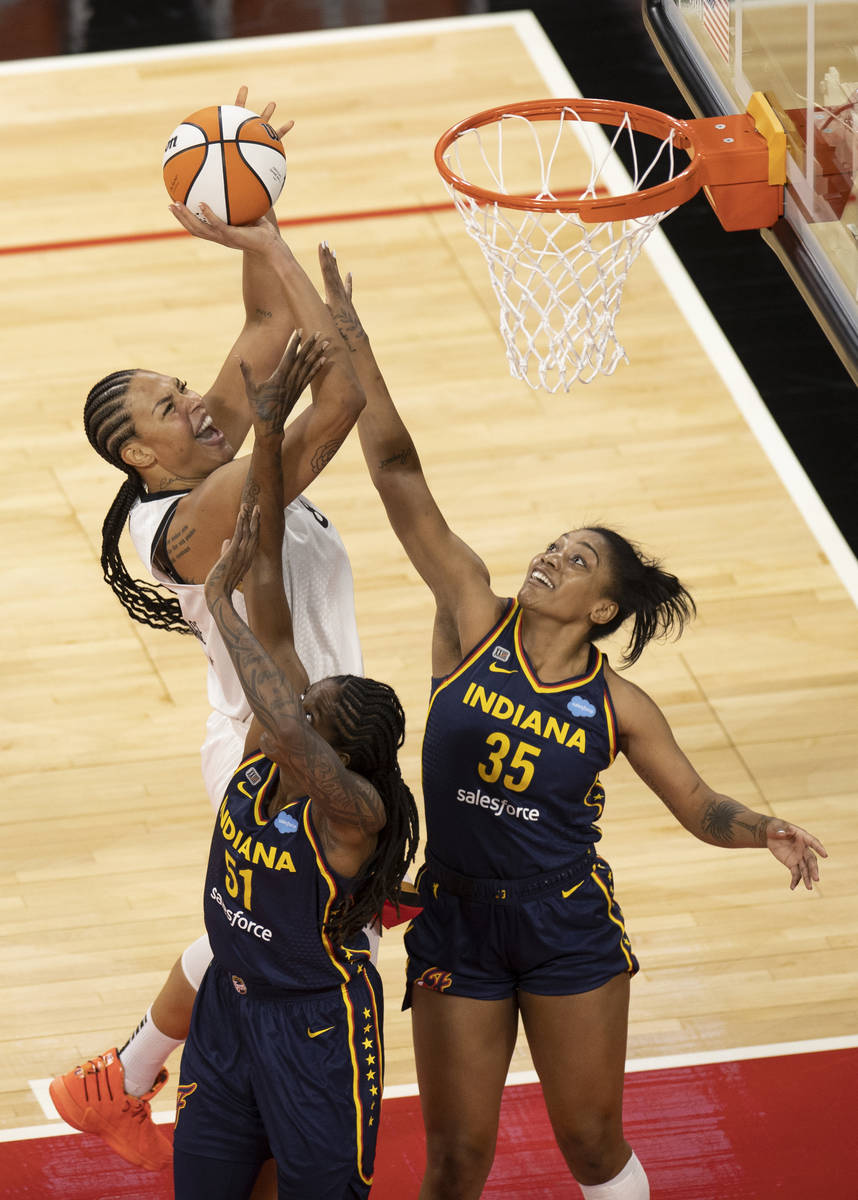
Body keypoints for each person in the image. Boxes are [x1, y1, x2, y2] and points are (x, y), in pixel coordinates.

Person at [318, 246, 829, 1200]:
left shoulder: (618, 707)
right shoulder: (473, 617)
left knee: (592, 1142)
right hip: (458, 914)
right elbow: (395, 469)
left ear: (604, 610)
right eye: (557, 543)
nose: (554, 554)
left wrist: (762, 828)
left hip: (565, 922)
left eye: (578, 557)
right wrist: (358, 349)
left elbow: (695, 801)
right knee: (454, 1159)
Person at [49, 90, 369, 1174]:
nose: (195, 398)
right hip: (269, 747)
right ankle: (134, 1083)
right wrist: (273, 235)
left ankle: (121, 1081)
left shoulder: (206, 461)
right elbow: (335, 401)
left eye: (184, 386)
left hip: (319, 724)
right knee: (308, 937)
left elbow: (270, 330)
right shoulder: (189, 519)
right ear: (141, 458)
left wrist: (246, 202)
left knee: (293, 932)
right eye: (168, 404)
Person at [172, 331, 419, 1198]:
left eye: (309, 712)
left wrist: (219, 603)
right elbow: (268, 558)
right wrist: (268, 431)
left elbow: (273, 690)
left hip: (314, 1026)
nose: (291, 702)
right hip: (230, 1013)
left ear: (332, 753)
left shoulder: (352, 812)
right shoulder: (268, 753)